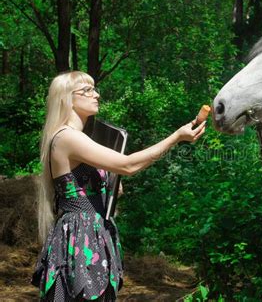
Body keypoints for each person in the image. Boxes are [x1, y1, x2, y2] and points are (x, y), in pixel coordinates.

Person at [31, 71, 206, 301]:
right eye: (87, 90)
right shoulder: (67, 137)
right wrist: (176, 137)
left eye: (94, 89)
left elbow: (94, 186)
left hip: (91, 231)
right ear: (67, 98)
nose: (97, 95)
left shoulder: (76, 137)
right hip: (82, 233)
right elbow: (128, 165)